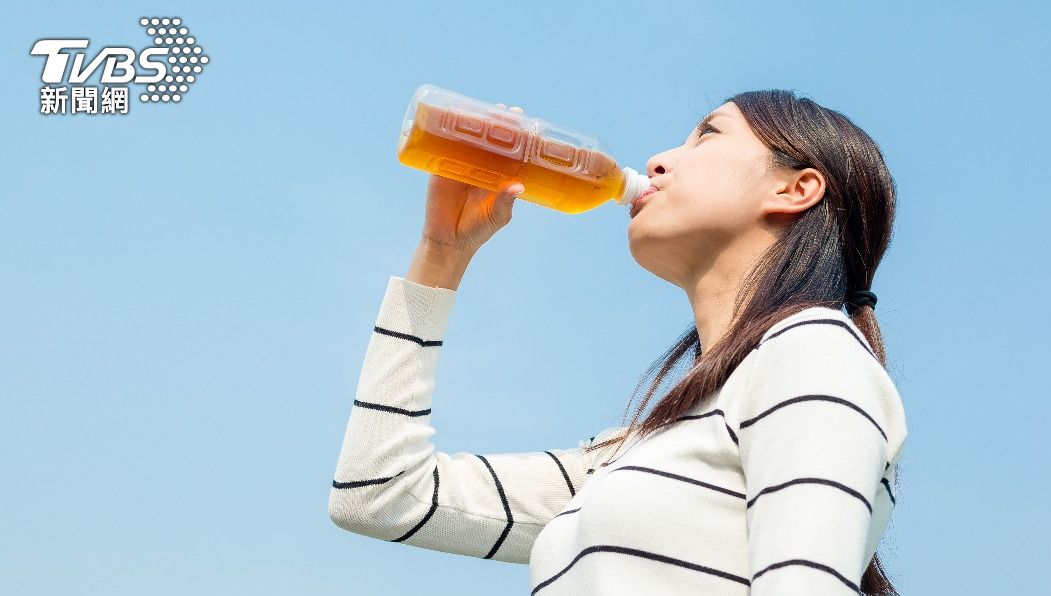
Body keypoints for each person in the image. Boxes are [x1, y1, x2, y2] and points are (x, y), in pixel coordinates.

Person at [328, 92, 908, 596]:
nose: (658, 160)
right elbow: (381, 495)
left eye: (707, 135)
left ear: (794, 188)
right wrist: (441, 253)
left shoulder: (812, 356)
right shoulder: (634, 455)